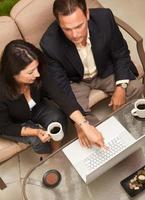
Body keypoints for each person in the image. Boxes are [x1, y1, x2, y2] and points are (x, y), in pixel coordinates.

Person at [40, 0, 143, 148]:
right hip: (75, 80)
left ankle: (131, 126)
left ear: (87, 14)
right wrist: (80, 123)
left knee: (135, 88)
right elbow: (60, 87)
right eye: (67, 29)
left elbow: (120, 53)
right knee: (84, 123)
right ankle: (108, 145)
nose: (75, 34)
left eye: (79, 26)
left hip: (105, 69)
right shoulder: (49, 43)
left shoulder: (104, 18)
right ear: (58, 23)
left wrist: (120, 87)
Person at [0, 39, 67, 155]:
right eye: (30, 72)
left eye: (37, 68)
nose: (37, 74)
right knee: (37, 141)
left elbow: (56, 91)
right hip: (12, 122)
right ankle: (48, 156)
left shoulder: (38, 71)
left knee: (58, 118)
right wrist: (35, 131)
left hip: (35, 108)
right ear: (12, 74)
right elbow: (4, 127)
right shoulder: (2, 91)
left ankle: (56, 152)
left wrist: (80, 122)